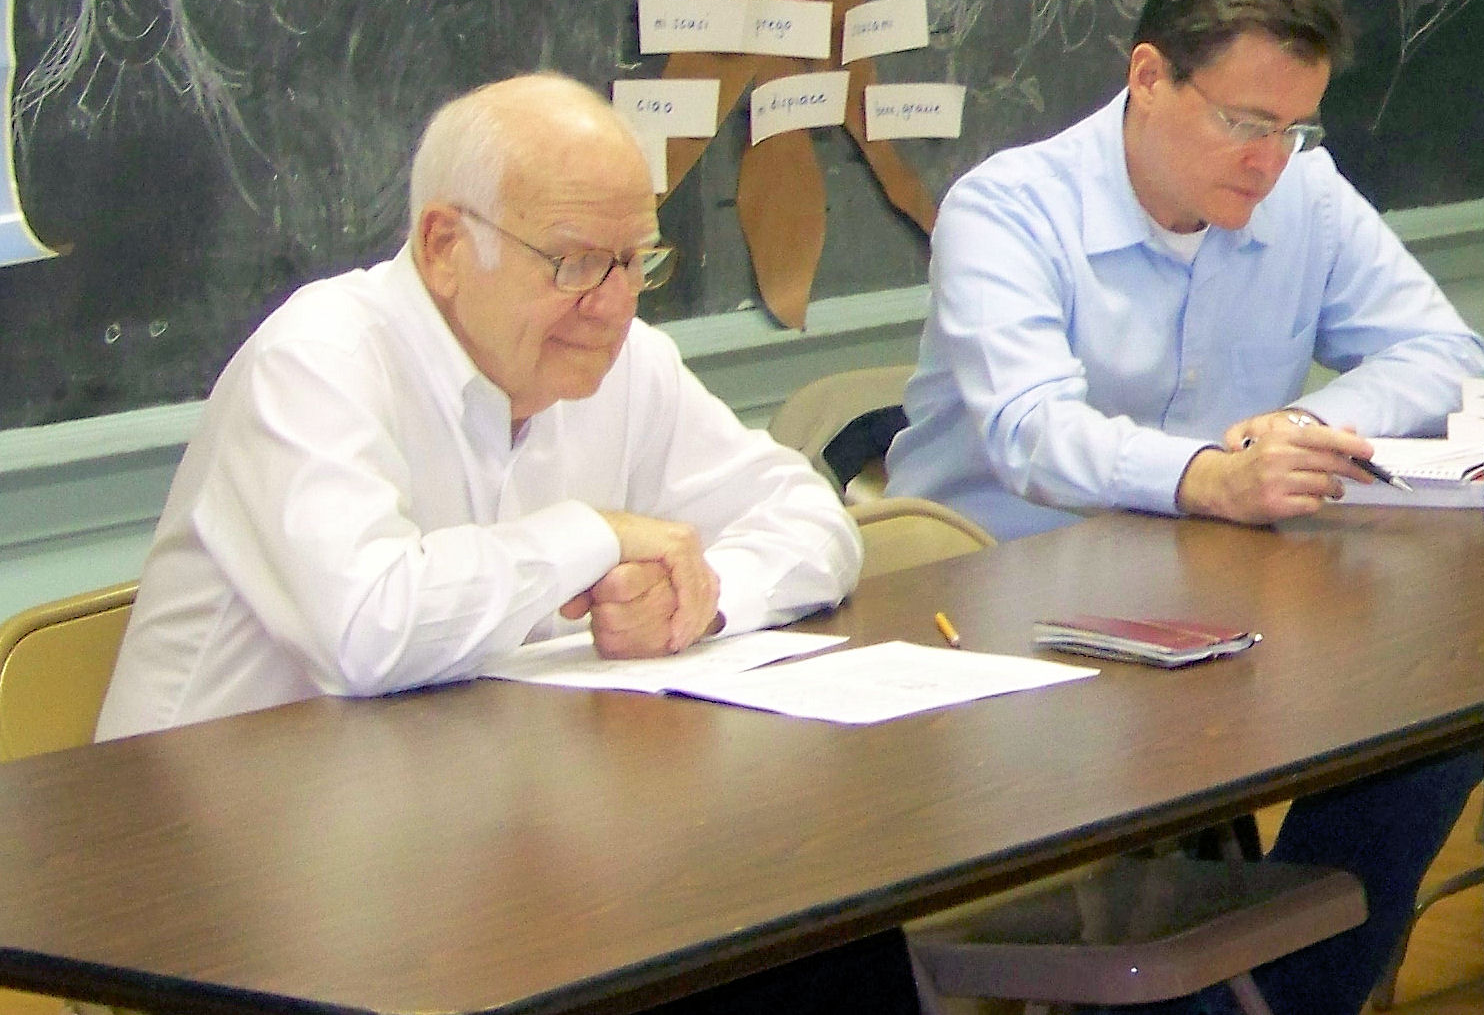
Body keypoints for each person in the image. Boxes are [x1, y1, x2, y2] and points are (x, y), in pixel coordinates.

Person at [96, 73, 917, 1014]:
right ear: (445, 246)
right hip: (215, 892)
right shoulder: (317, 362)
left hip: (465, 839)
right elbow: (368, 630)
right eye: (574, 263)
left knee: (808, 927)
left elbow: (810, 518)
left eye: (635, 262)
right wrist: (592, 536)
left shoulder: (621, 363)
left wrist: (703, 593)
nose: (613, 305)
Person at [888, 0, 1484, 1015]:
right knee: (1189, 762)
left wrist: (1305, 426)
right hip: (1000, 611)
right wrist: (1208, 475)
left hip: (1207, 601)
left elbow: (1445, 353)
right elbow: (1031, 433)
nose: (1269, 161)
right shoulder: (1009, 208)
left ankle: (1267, 996)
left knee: (1432, 727)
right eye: (1244, 123)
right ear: (1149, 77)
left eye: (1294, 128)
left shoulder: (1306, 192)